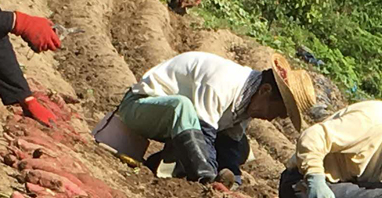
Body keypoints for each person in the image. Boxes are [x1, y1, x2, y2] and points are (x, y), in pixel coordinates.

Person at [104, 50, 318, 184]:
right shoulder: (222, 83)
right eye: (277, 112)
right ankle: (194, 172)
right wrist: (210, 177)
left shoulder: (246, 99)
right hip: (138, 107)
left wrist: (233, 178)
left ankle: (167, 161)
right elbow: (204, 134)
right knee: (183, 107)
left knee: (241, 147)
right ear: (265, 91)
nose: (271, 119)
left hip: (171, 125)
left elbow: (229, 146)